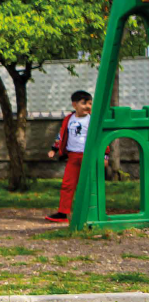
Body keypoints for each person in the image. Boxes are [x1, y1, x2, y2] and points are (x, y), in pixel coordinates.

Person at [45, 89, 93, 223]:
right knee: (67, 184)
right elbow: (62, 135)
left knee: (88, 184)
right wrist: (54, 148)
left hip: (87, 156)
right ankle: (63, 213)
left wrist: (104, 156)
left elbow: (99, 137)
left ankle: (89, 213)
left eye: (90, 103)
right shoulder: (69, 119)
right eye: (84, 103)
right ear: (74, 105)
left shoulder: (92, 119)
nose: (88, 106)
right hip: (73, 156)